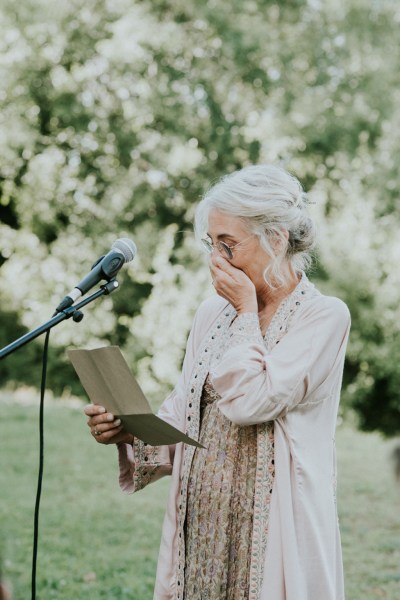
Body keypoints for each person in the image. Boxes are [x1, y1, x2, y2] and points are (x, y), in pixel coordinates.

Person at [84, 164, 351, 600]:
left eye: (228, 246)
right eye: (212, 245)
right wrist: (125, 428)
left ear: (276, 239)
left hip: (272, 531)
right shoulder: (211, 314)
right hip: (203, 525)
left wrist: (247, 313)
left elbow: (254, 402)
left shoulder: (324, 316)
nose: (216, 260)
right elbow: (186, 412)